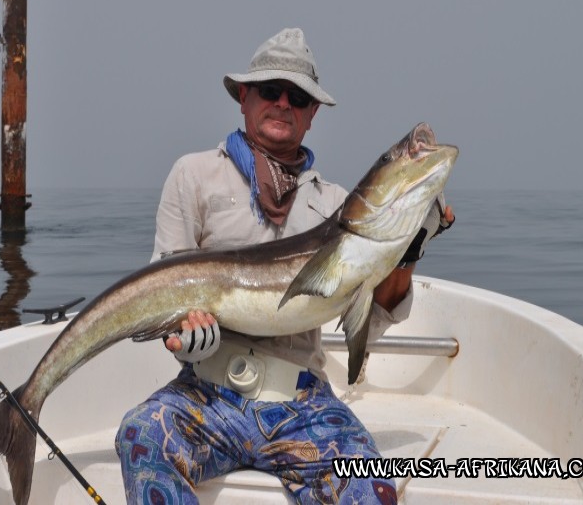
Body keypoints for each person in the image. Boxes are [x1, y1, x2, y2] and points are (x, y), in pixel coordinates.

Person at [115, 28, 454, 505]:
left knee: (371, 489)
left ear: (312, 114)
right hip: (206, 395)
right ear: (244, 98)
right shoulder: (194, 176)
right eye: (270, 91)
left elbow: (372, 318)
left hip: (304, 405)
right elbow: (166, 295)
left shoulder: (337, 206)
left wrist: (413, 243)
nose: (282, 103)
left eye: (297, 96)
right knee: (141, 435)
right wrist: (185, 339)